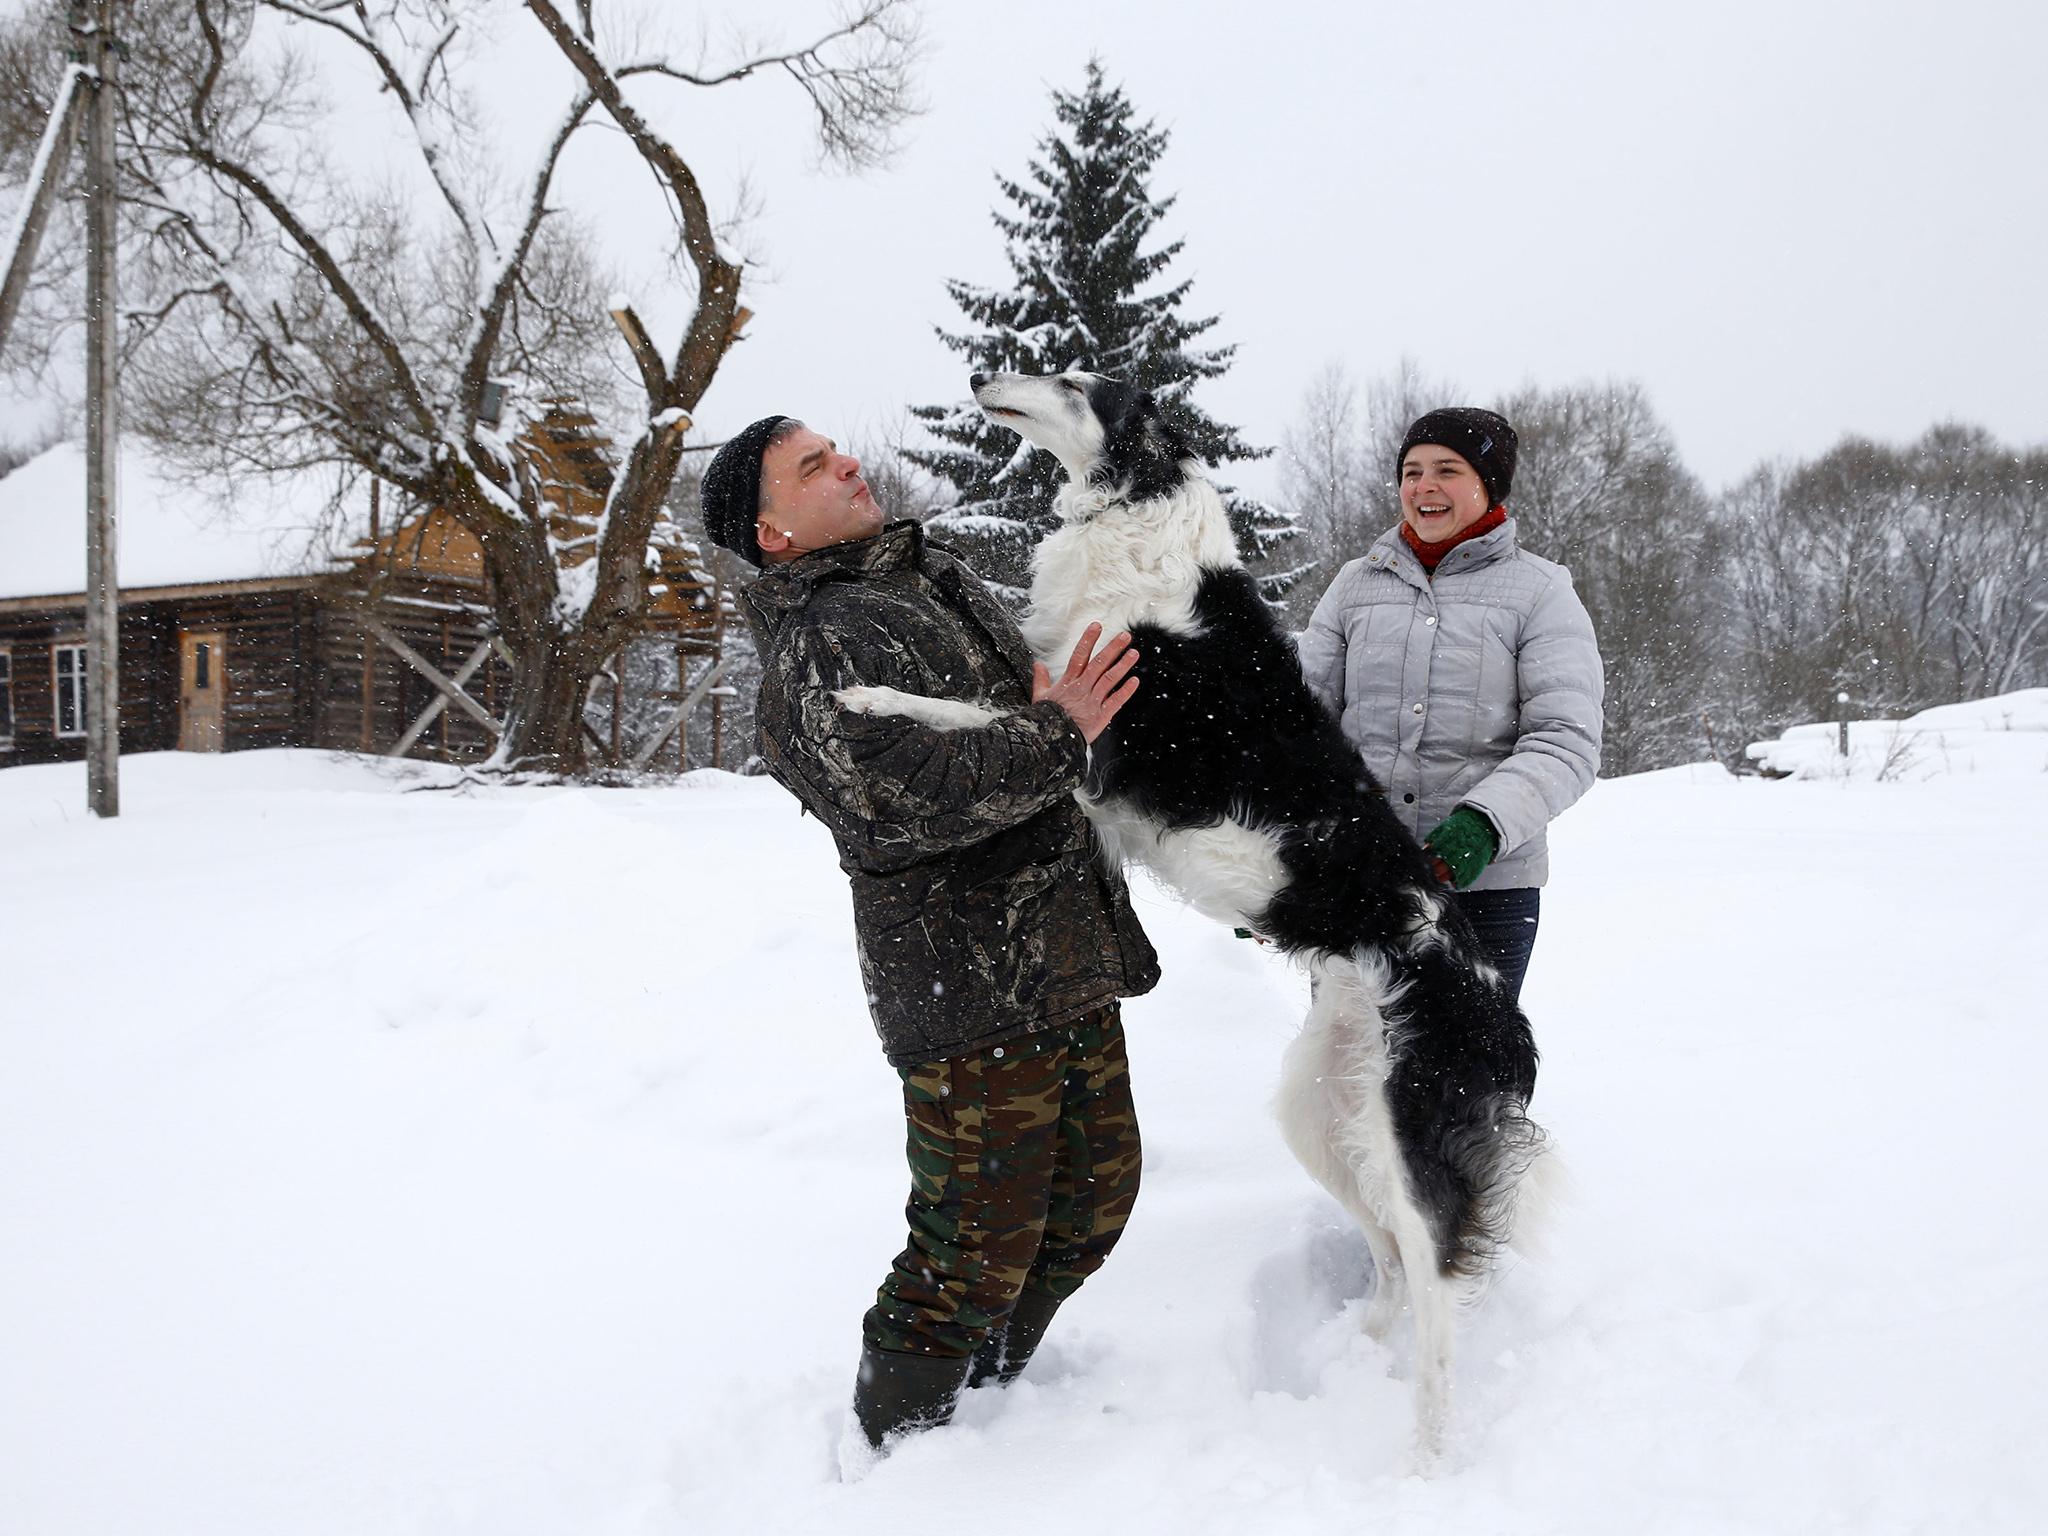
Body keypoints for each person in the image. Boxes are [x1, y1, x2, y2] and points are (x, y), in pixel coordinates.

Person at [699, 414, 1160, 1458]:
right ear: (771, 531)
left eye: (834, 449)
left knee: (1090, 1202)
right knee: (972, 1250)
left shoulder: (926, 579)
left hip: (1059, 951)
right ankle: (898, 1447)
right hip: (965, 986)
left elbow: (1014, 721)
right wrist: (1058, 728)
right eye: (810, 467)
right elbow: (900, 798)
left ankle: (988, 1394)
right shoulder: (818, 640)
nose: (846, 463)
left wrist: (1044, 708)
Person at [1296, 407, 1604, 1001]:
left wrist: (1482, 826)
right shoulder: (1355, 585)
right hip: (1359, 878)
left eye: (1447, 469)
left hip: (1489, 886)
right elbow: (1301, 727)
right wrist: (1279, 858)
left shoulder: (1540, 592)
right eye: (1411, 472)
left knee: (1472, 1073)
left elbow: (1565, 739)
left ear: (1487, 485)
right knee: (1351, 1065)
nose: (1424, 487)